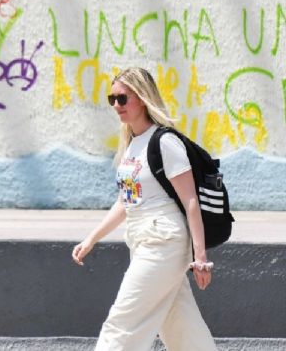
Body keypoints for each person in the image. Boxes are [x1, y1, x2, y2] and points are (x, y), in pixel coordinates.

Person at [72, 67, 216, 350]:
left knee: (121, 324)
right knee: (180, 326)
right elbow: (125, 202)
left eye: (122, 98)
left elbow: (190, 201)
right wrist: (91, 239)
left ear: (142, 97)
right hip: (142, 240)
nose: (116, 105)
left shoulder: (165, 141)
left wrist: (200, 258)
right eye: (112, 99)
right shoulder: (132, 144)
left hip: (163, 241)